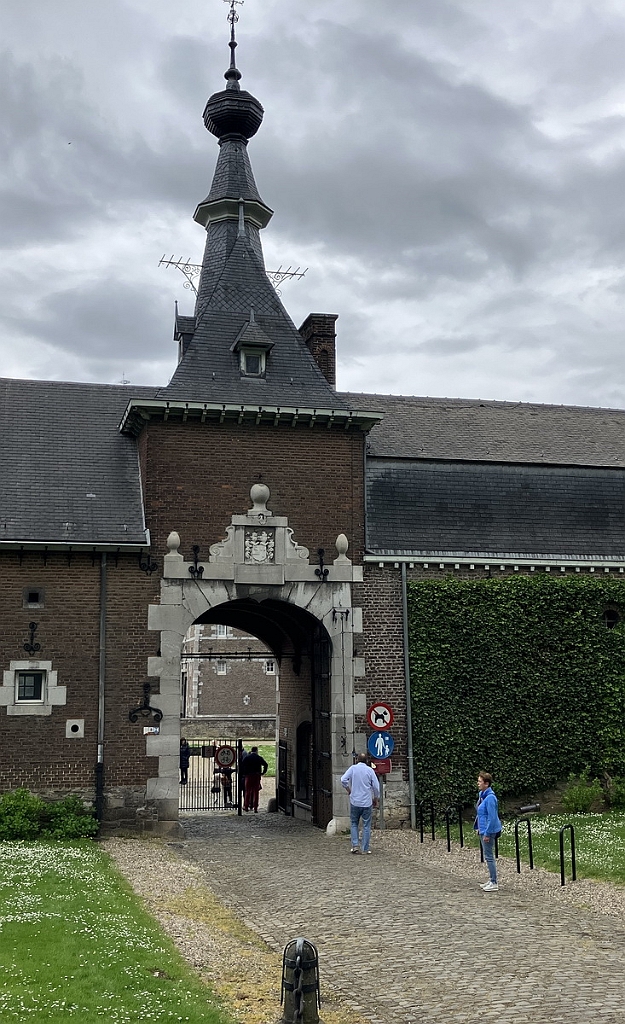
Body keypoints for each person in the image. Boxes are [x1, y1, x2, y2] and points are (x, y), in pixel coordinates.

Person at [340, 754, 380, 854]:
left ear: (357, 759)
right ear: (367, 760)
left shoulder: (353, 769)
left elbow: (343, 779)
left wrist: (348, 789)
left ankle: (355, 845)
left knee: (354, 823)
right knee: (366, 825)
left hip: (355, 801)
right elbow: (376, 786)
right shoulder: (370, 770)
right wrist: (375, 798)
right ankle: (365, 849)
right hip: (366, 802)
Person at [475, 770, 502, 892]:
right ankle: (491, 879)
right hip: (483, 829)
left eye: (480, 781)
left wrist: (487, 833)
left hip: (488, 831)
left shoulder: (490, 798)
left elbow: (492, 817)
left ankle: (494, 881)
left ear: (486, 783)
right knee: (487, 855)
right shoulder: (482, 796)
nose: (478, 783)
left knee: (489, 856)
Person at [241, 746, 268, 812]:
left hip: (249, 776)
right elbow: (265, 764)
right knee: (256, 792)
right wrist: (263, 772)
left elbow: (242, 765)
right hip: (256, 776)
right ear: (256, 751)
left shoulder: (247, 758)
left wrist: (244, 773)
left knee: (247, 791)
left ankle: (246, 806)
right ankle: (255, 808)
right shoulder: (259, 758)